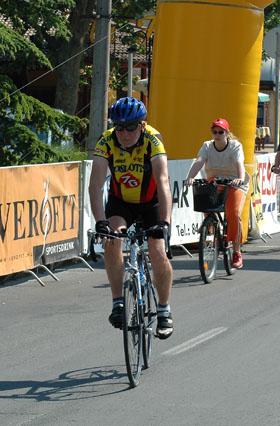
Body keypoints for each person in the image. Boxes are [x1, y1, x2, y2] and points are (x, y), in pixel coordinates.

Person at [88, 97, 174, 339]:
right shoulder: (106, 141)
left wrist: (165, 223)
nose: (124, 133)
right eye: (119, 127)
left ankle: (164, 309)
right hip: (121, 202)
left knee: (157, 251)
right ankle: (118, 302)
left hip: (151, 202)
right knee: (112, 240)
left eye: (130, 127)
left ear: (142, 125)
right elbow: (95, 186)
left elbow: (163, 182)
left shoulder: (152, 140)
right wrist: (100, 221)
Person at [185, 118, 249, 268]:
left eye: (221, 132)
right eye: (215, 132)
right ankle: (211, 232)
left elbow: (239, 163)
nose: (218, 134)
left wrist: (240, 178)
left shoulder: (235, 146)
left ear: (227, 133)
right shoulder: (207, 146)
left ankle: (237, 252)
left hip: (235, 182)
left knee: (233, 213)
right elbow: (199, 161)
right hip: (215, 182)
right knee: (206, 204)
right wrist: (190, 177)